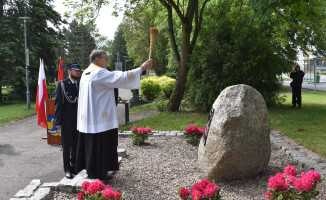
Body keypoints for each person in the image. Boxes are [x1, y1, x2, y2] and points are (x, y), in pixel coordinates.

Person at [76, 50, 152, 179]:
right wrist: (141, 69)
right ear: (97, 60)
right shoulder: (98, 72)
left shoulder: (86, 73)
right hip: (101, 118)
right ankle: (100, 172)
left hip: (89, 118)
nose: (107, 61)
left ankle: (91, 170)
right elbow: (120, 77)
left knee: (92, 145)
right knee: (101, 145)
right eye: (105, 58)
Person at [54, 62, 81, 179]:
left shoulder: (81, 84)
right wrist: (58, 121)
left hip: (79, 120)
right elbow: (58, 104)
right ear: (69, 71)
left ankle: (74, 165)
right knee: (66, 145)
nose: (78, 72)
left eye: (79, 71)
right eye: (76, 71)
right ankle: (67, 168)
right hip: (66, 120)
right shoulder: (62, 84)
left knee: (76, 144)